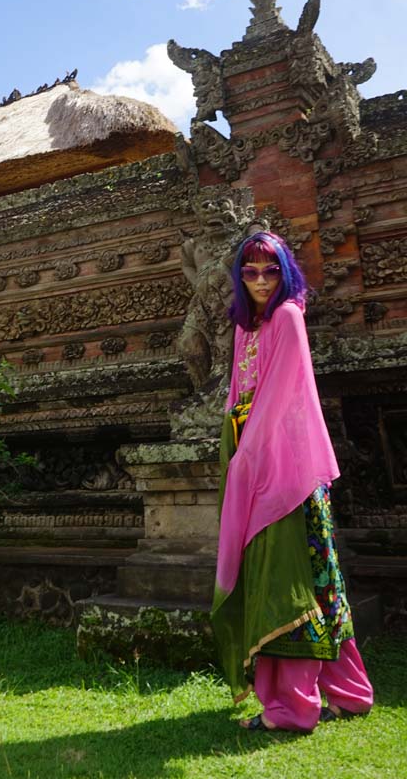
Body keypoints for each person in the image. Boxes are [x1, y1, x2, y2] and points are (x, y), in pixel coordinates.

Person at [210, 231, 373, 732]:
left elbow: (280, 397)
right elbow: (238, 394)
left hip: (284, 473)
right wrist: (234, 449)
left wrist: (248, 460)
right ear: (239, 275)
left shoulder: (287, 317)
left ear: (287, 274)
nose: (261, 281)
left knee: (289, 583)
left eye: (272, 271)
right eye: (251, 271)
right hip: (251, 457)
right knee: (316, 581)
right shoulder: (245, 326)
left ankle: (292, 707)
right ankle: (349, 693)